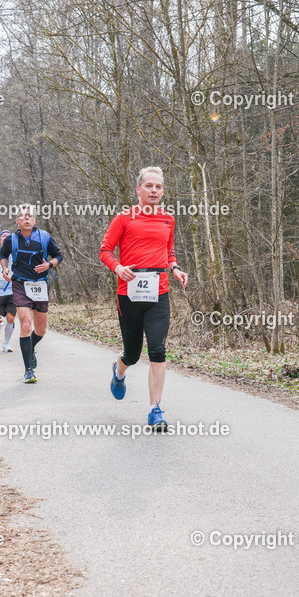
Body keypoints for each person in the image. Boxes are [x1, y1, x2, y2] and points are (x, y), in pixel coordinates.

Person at [99, 166, 188, 431]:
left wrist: (174, 268)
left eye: (158, 187)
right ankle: (119, 371)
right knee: (133, 354)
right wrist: (117, 267)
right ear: (138, 189)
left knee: (157, 350)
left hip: (159, 293)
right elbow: (105, 250)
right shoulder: (123, 218)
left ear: (163, 191)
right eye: (149, 186)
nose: (154, 190)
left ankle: (155, 410)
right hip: (129, 294)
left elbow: (169, 250)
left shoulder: (168, 219)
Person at [0, 207, 63, 383]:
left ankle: (31, 347)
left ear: (34, 220)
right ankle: (28, 370)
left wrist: (49, 265)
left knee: (41, 330)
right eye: (22, 216)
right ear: (17, 221)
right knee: (26, 325)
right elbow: (3, 254)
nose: (26, 218)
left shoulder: (44, 237)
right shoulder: (11, 240)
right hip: (20, 284)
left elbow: (58, 255)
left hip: (41, 284)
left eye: (30, 216)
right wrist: (5, 268)